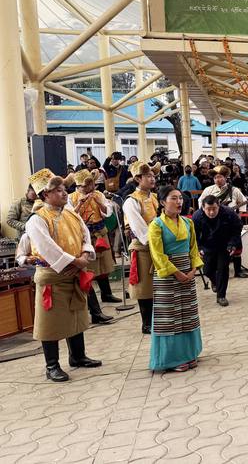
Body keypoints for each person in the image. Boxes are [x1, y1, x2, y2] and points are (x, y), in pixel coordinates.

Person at [26, 169, 101, 382]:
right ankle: (51, 365)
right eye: (57, 190)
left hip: (74, 271)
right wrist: (75, 261)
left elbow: (84, 233)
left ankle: (78, 356)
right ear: (44, 195)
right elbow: (47, 248)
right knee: (49, 321)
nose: (63, 193)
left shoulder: (70, 212)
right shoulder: (37, 219)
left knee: (76, 313)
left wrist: (85, 253)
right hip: (53, 275)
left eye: (63, 189)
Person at [148, 186, 204, 372]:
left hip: (187, 272)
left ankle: (190, 353)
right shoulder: (156, 224)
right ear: (163, 202)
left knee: (188, 313)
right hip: (167, 275)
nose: (179, 202)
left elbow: (193, 249)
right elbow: (157, 254)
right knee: (169, 315)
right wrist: (176, 272)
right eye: (174, 198)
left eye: (180, 198)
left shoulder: (188, 223)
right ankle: (171, 359)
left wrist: (193, 269)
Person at [68, 170, 120, 321]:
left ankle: (107, 293)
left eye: (91, 183)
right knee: (88, 270)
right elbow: (71, 217)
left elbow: (108, 212)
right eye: (86, 185)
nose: (91, 187)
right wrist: (80, 204)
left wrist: (97, 202)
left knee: (104, 265)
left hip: (100, 231)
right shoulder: (72, 198)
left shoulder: (99, 194)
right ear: (79, 186)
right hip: (85, 236)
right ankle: (94, 311)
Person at [123, 161, 160, 334]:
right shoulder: (131, 201)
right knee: (144, 286)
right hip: (143, 245)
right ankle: (146, 322)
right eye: (148, 176)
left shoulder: (153, 196)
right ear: (138, 178)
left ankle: (157, 318)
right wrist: (153, 240)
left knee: (157, 284)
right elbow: (139, 228)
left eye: (153, 176)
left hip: (157, 243)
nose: (152, 179)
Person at [192, 195, 242, 307]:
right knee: (207, 270)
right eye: (208, 209)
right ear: (203, 208)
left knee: (223, 270)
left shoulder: (228, 213)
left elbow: (237, 229)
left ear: (218, 206)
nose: (211, 212)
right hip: (207, 246)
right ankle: (215, 282)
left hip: (224, 245)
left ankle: (221, 295)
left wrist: (233, 244)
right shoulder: (196, 217)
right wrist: (199, 248)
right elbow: (193, 236)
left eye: (214, 209)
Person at [200, 165, 248, 280]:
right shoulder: (208, 190)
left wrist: (238, 216)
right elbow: (201, 204)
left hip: (231, 223)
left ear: (226, 177)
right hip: (213, 224)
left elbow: (244, 202)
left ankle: (238, 270)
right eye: (216, 177)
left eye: (220, 177)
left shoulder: (234, 190)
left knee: (236, 245)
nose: (218, 179)